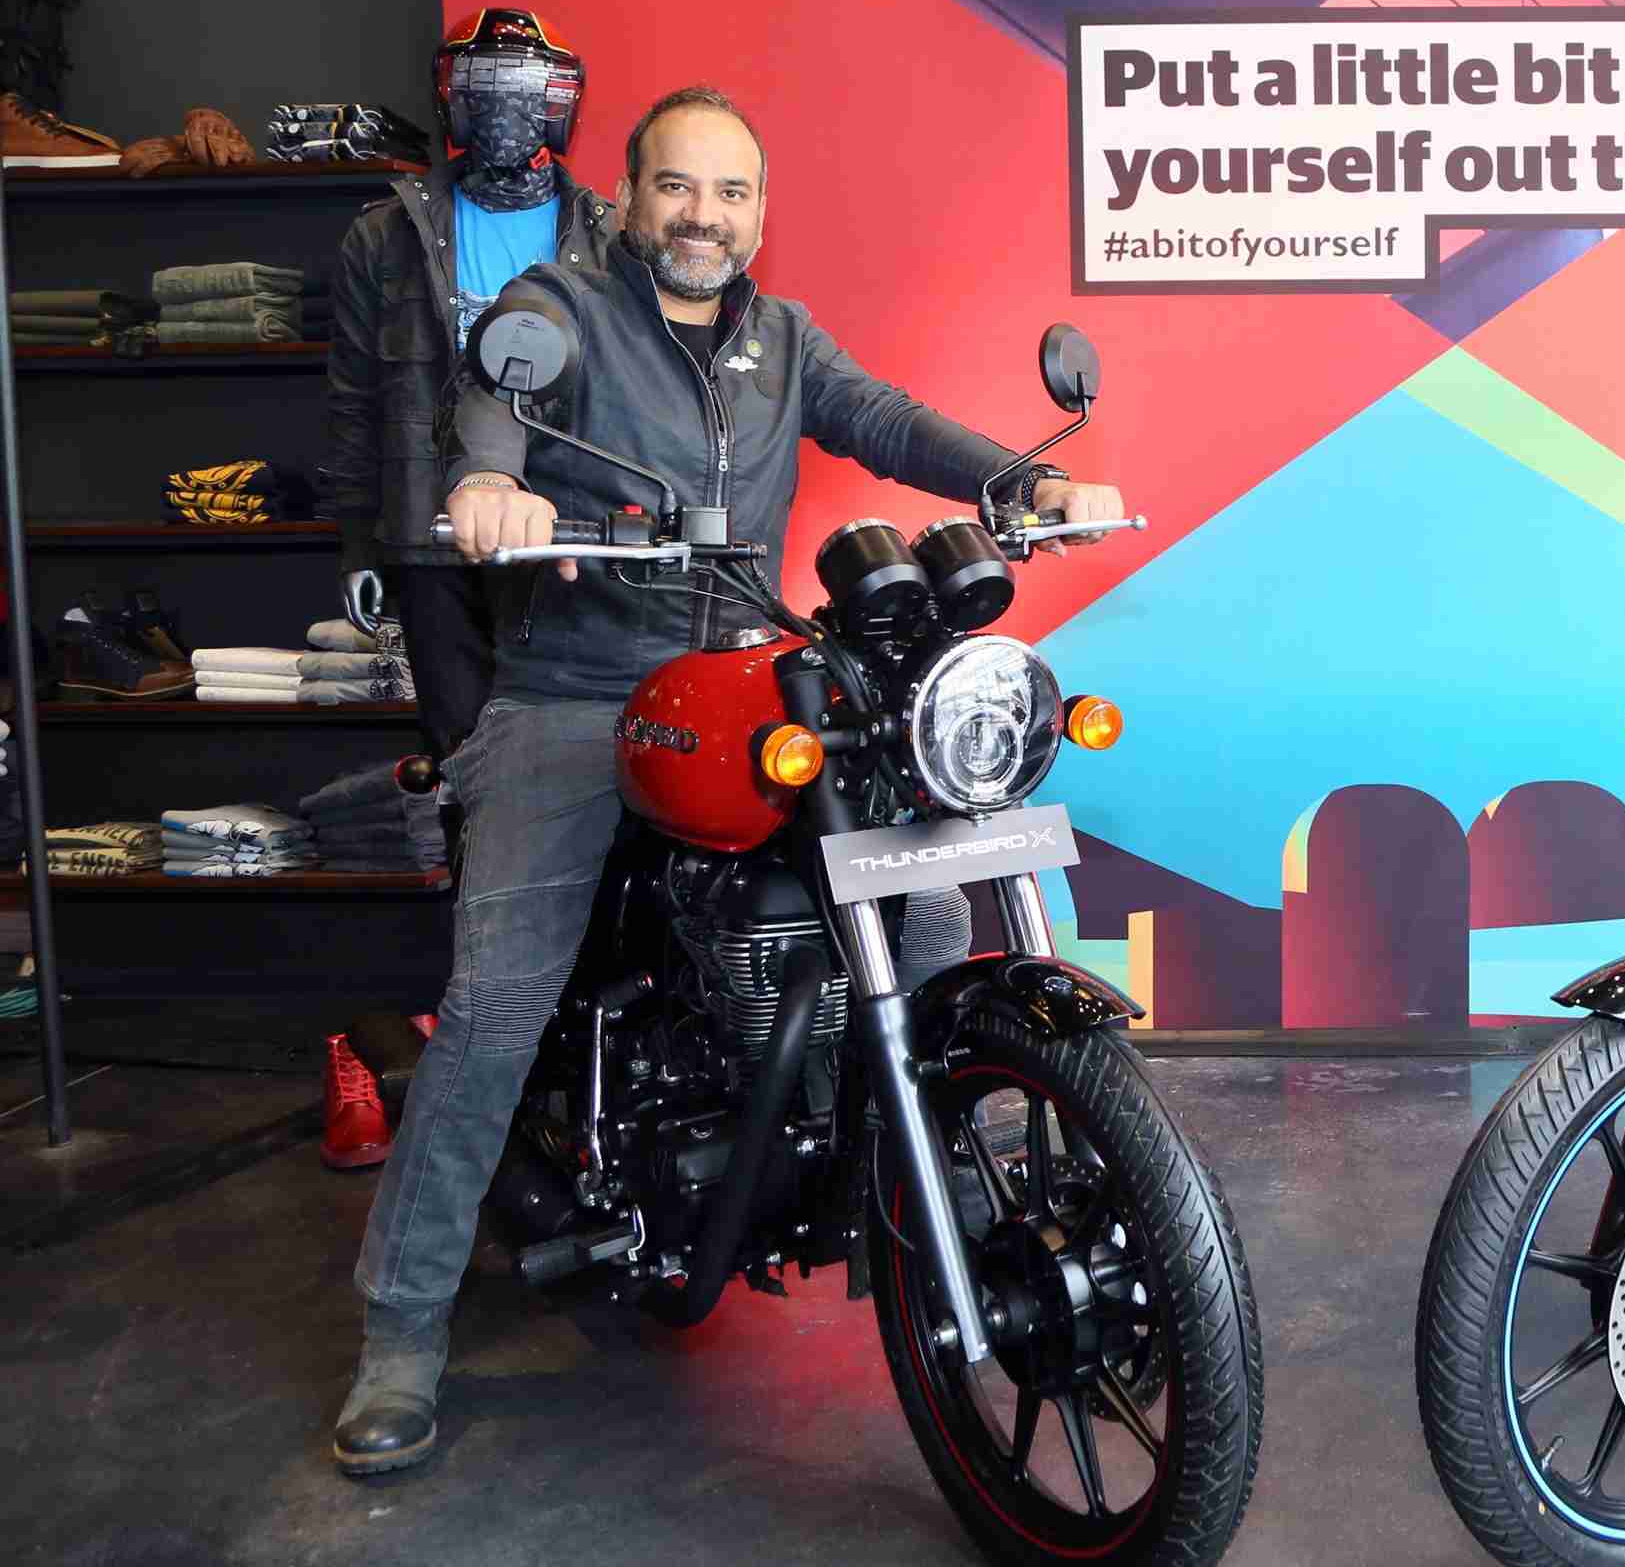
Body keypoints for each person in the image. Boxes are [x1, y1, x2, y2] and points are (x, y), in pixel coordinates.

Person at [334, 85, 1125, 1475]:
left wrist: (1025, 485)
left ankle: (913, 1196)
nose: (703, 215)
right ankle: (401, 1328)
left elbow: (886, 420)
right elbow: (494, 410)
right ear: (631, 199)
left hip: (748, 678)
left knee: (928, 912)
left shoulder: (782, 338)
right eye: (677, 187)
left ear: (761, 213)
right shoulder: (560, 306)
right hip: (579, 689)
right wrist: (486, 489)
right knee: (498, 1002)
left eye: (731, 192)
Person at [322, 7, 613, 767]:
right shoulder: (384, 236)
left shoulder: (607, 236)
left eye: (525, 87)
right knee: (460, 758)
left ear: (559, 102)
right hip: (429, 534)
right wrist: (359, 545)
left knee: (572, 755)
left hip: (565, 536)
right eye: (485, 85)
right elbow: (355, 401)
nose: (506, 107)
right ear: (453, 97)